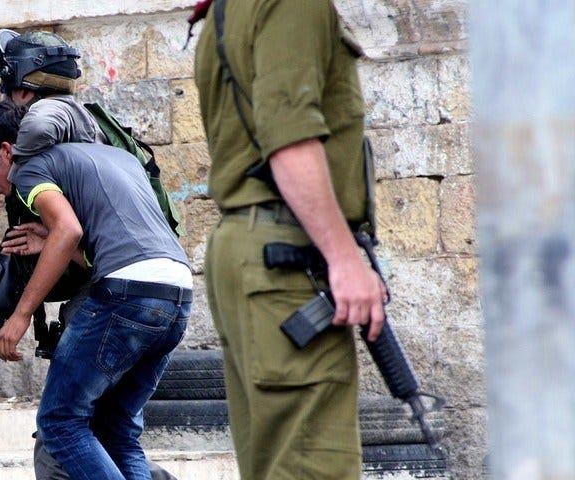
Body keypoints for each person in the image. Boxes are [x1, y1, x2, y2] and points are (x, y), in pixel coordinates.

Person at [193, 0, 386, 478]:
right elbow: (290, 139)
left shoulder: (226, 9)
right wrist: (344, 257)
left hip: (250, 247)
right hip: (286, 255)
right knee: (312, 466)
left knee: (274, 464)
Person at [0, 101, 194, 480]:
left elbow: (68, 228)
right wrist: (57, 243)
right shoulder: (116, 157)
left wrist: (22, 314)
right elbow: (116, 239)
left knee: (60, 423)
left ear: (7, 150)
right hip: (177, 291)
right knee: (118, 431)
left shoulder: (29, 168)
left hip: (126, 295)